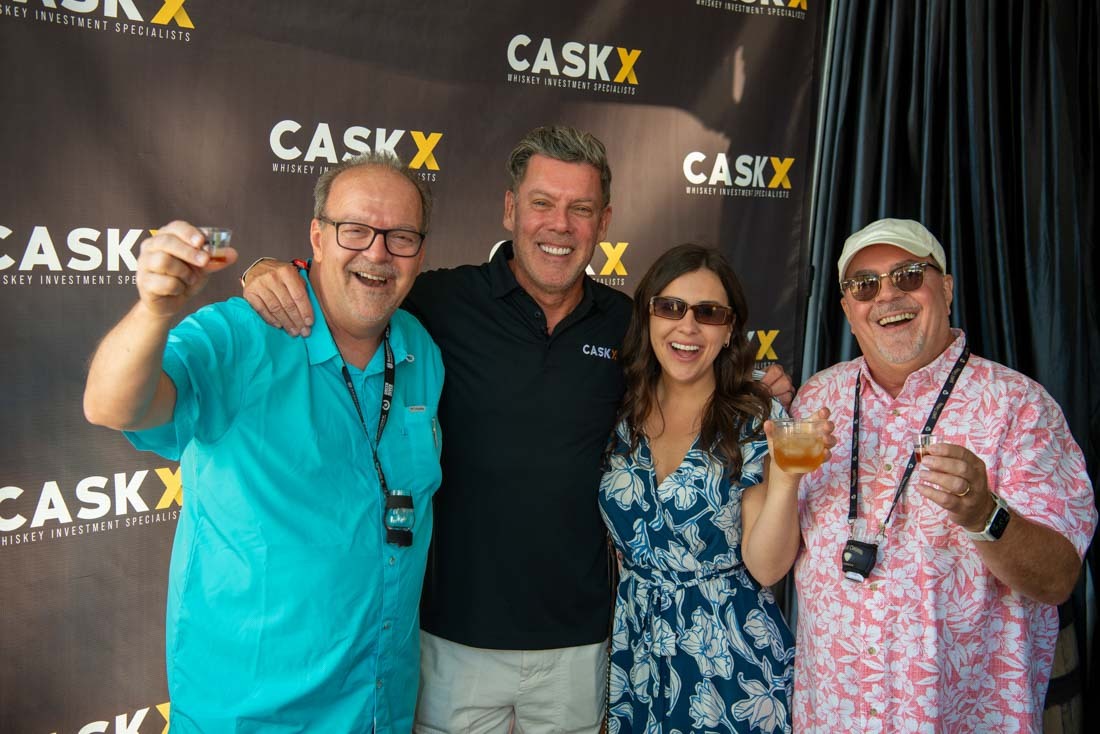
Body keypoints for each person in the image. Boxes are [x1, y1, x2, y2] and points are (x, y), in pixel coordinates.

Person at [242, 126, 793, 733]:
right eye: (542, 203)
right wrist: (272, 270)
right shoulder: (439, 299)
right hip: (451, 640)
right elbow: (354, 287)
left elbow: (694, 360)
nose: (560, 225)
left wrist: (757, 383)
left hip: (580, 646)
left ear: (604, 221)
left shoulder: (627, 325)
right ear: (510, 208)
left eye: (580, 208)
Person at [83, 153, 444, 732]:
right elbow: (111, 406)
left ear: (420, 253)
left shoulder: (420, 347)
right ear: (317, 237)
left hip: (381, 708)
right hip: (249, 716)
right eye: (354, 230)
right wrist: (153, 311)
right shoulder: (241, 334)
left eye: (400, 236)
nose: (377, 253)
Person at [790, 218, 1097, 732]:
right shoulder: (817, 399)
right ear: (847, 309)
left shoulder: (1019, 407)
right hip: (833, 719)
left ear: (947, 289)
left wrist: (985, 515)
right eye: (864, 285)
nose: (887, 295)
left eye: (908, 275)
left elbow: (1057, 578)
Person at [600, 244, 833, 733]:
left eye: (708, 313)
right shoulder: (619, 408)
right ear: (648, 316)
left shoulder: (754, 417)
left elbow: (767, 567)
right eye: (670, 307)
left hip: (729, 660)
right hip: (637, 652)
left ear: (729, 331)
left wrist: (786, 480)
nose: (687, 326)